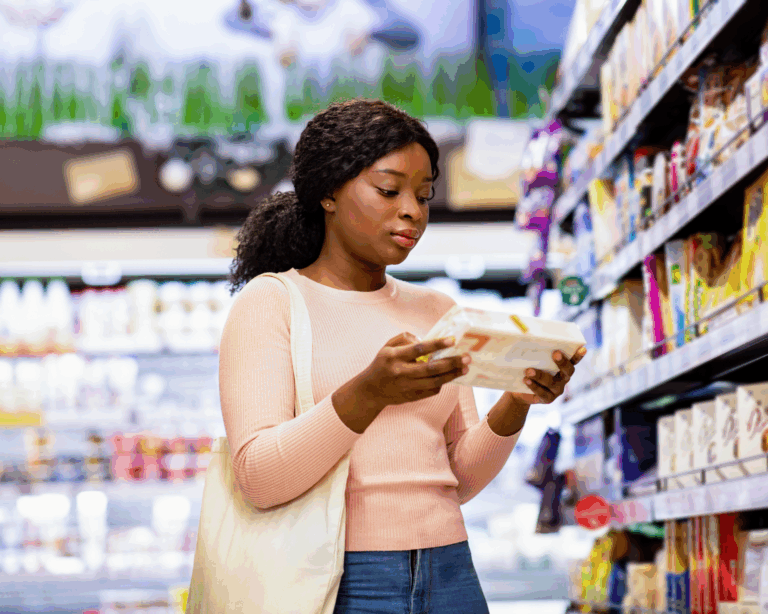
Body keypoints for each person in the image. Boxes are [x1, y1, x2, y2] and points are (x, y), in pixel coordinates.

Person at [220, 98, 586, 614]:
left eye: (424, 194)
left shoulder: (437, 310)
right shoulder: (271, 302)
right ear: (327, 191)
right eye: (389, 191)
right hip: (335, 577)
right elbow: (258, 478)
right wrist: (367, 394)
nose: (413, 211)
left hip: (450, 568)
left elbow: (457, 479)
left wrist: (517, 401)